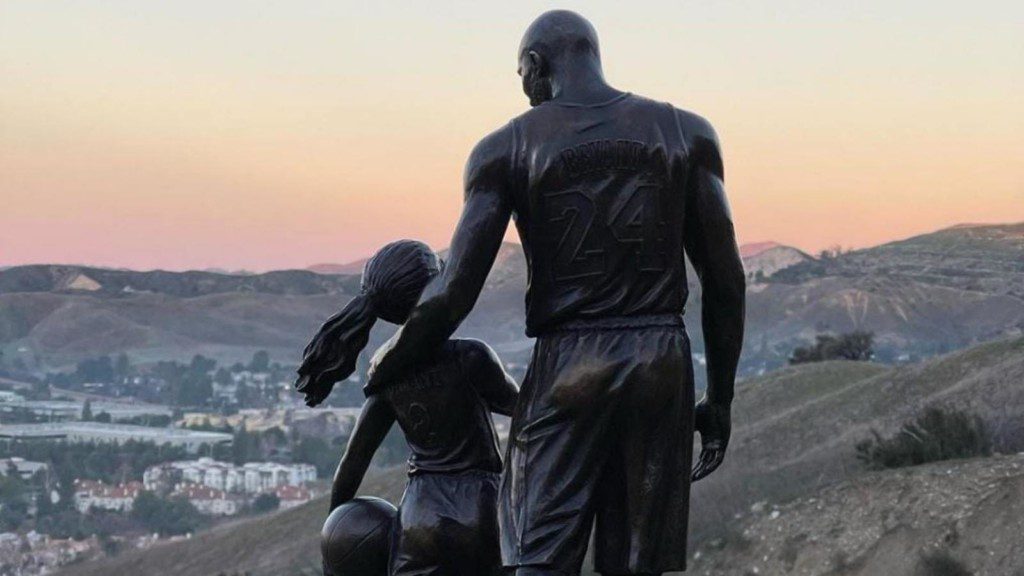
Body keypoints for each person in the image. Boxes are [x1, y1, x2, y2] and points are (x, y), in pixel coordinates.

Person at [364, 10, 746, 576]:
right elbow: (724, 279)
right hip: (661, 359)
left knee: (537, 551)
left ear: (537, 67)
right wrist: (719, 398)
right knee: (638, 561)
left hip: (570, 360)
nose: (525, 93)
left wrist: (389, 358)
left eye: (522, 78)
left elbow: (452, 294)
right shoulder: (686, 133)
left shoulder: (505, 149)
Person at [297, 239, 518, 576]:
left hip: (420, 515)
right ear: (434, 292)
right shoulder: (471, 357)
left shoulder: (385, 375)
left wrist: (334, 528)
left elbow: (353, 463)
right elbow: (528, 409)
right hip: (478, 510)